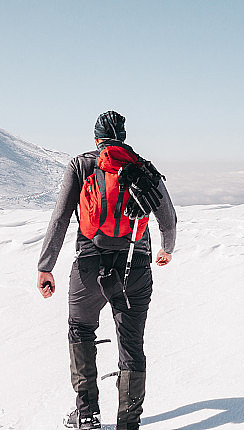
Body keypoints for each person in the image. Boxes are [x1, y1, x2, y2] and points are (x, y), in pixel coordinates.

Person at [37, 111, 177, 430]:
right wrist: (166, 248)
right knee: (130, 342)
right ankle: (128, 421)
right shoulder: (143, 167)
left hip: (89, 265)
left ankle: (87, 414)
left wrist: (46, 266)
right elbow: (168, 218)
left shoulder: (81, 165)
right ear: (124, 136)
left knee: (80, 328)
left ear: (96, 137)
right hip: (135, 265)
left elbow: (59, 219)